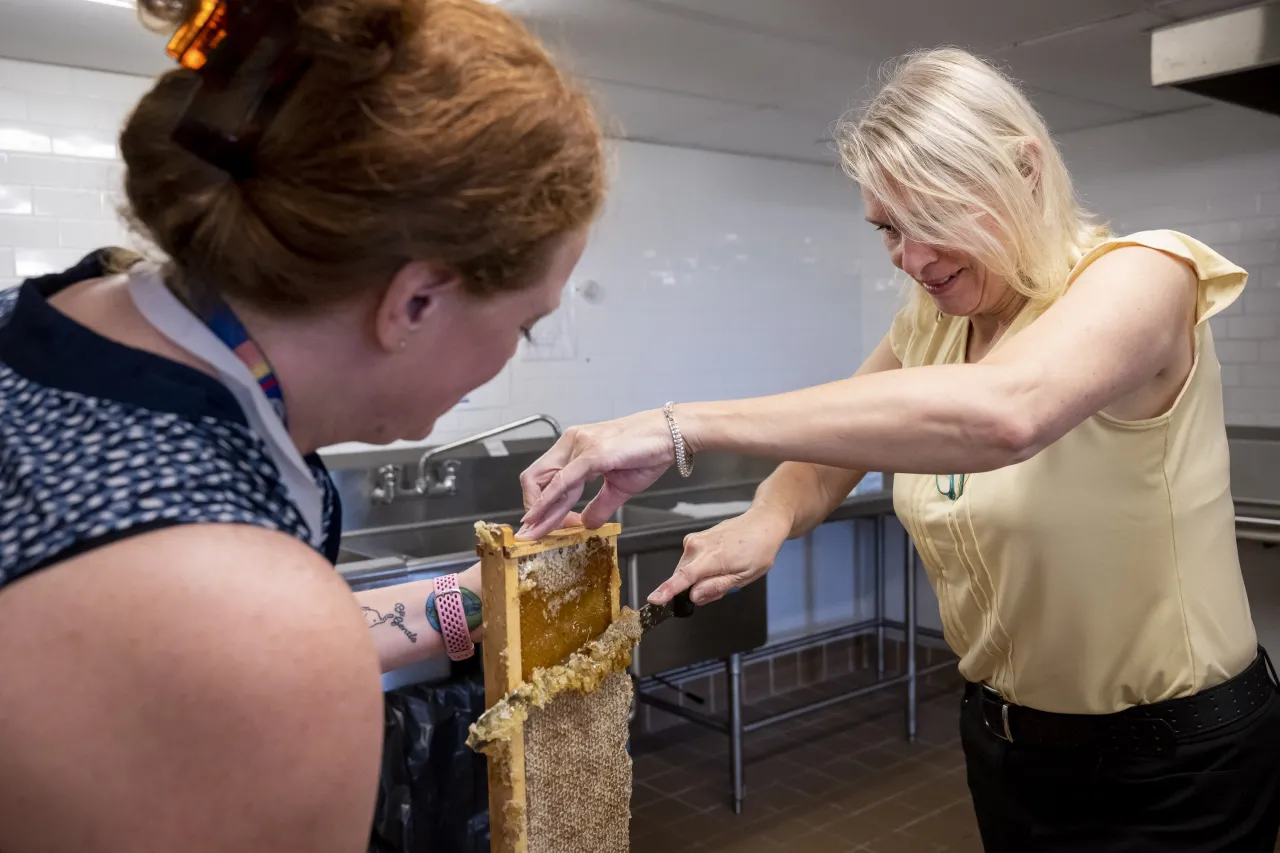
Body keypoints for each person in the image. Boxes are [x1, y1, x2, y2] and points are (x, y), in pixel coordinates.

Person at [518, 48, 1280, 851]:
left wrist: (679, 424)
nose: (912, 260)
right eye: (888, 228)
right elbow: (828, 453)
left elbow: (1007, 413)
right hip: (1008, 745)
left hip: (1175, 762)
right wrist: (768, 517)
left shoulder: (1146, 275)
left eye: (937, 219)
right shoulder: (932, 325)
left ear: (1026, 171)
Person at [0, 0, 604, 849]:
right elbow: (241, 640)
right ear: (417, 301)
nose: (514, 352)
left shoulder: (61, 325)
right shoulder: (242, 609)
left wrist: (475, 595)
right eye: (525, 322)